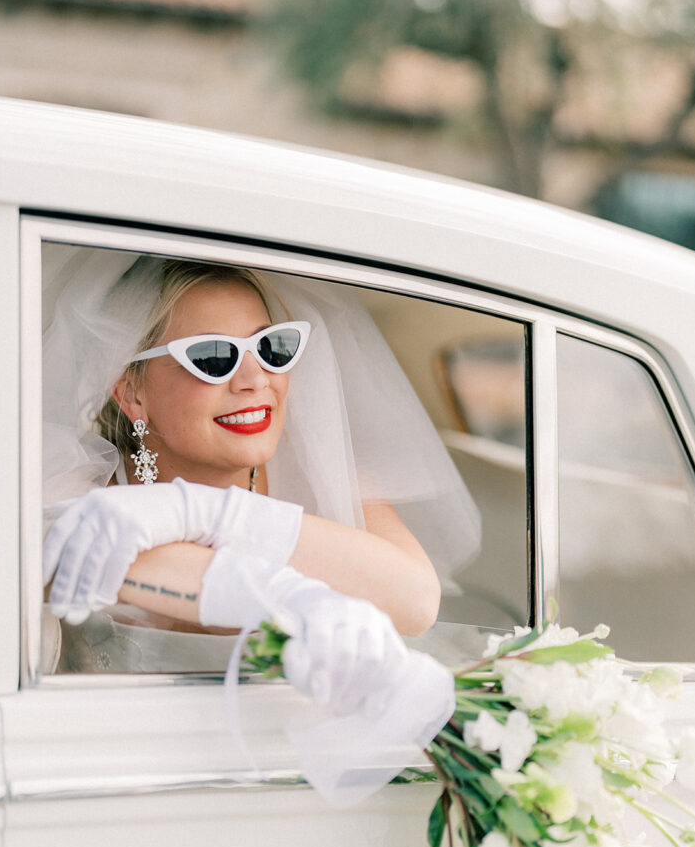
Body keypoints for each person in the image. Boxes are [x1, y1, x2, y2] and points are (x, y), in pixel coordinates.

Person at [41, 250, 481, 803]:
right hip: (113, 791)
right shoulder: (77, 497)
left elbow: (416, 599)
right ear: (131, 390)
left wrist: (203, 512)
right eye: (213, 356)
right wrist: (290, 597)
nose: (256, 379)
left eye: (274, 348)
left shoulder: (327, 478)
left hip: (294, 794)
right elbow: (60, 553)